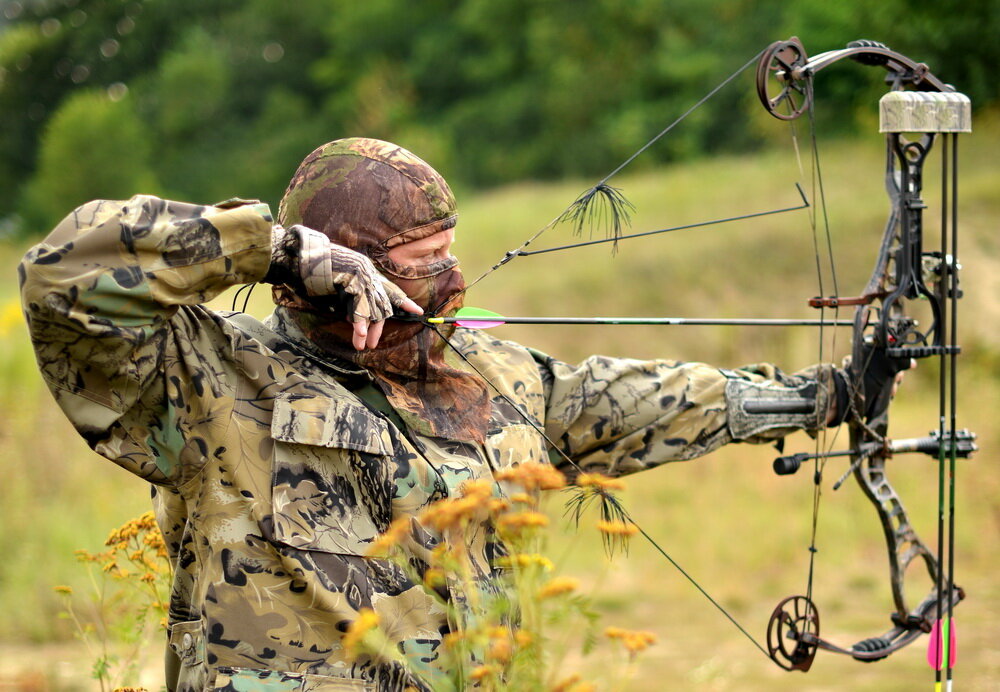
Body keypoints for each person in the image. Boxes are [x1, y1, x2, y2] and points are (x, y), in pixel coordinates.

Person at [20, 138, 901, 691]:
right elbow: (61, 276)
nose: (452, 283)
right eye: (421, 263)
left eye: (451, 255)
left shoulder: (485, 371)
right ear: (341, 273)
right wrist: (277, 247)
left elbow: (632, 401)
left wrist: (824, 396)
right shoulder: (214, 380)